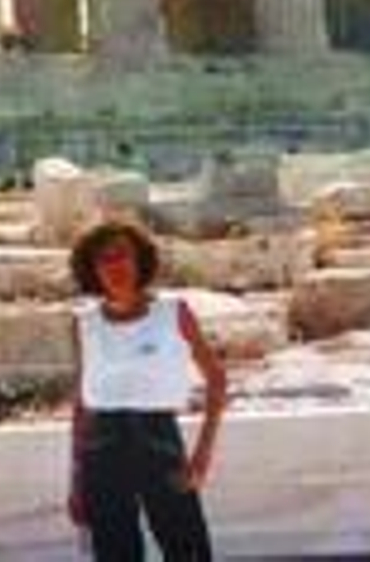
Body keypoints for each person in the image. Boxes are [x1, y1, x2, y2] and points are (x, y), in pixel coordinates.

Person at [68, 217, 226, 562]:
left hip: (158, 440)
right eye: (104, 259)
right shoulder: (84, 323)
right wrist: (76, 481)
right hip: (102, 450)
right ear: (92, 269)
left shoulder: (172, 312)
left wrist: (202, 456)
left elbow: (216, 379)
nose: (115, 266)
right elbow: (81, 403)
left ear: (140, 258)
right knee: (115, 554)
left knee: (188, 550)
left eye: (122, 254)